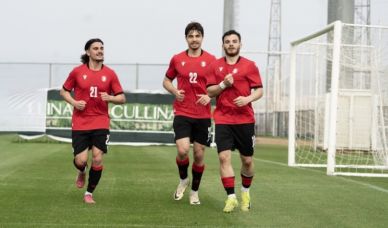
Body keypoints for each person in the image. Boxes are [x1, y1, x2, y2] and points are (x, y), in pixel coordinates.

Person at [60, 38, 126, 204]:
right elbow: (64, 91)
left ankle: (89, 193)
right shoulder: (77, 72)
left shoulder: (110, 74)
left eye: (102, 48)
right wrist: (74, 102)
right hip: (80, 122)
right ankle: (82, 171)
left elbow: (122, 98)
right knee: (81, 160)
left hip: (101, 121)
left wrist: (110, 97)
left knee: (97, 158)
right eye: (95, 48)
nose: (100, 51)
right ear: (88, 52)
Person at [207, 30, 263, 213]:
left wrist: (247, 99)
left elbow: (259, 90)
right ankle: (231, 198)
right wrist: (223, 84)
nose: (231, 44)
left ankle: (245, 192)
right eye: (227, 42)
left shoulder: (250, 66)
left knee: (247, 160)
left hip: (245, 119)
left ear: (240, 44)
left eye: (234, 41)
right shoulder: (215, 66)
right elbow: (209, 92)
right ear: (223, 45)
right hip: (223, 118)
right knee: (224, 157)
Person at [163, 22, 216, 205]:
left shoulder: (211, 60)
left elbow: (216, 88)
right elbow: (167, 81)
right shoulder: (177, 59)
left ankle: (194, 191)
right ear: (186, 38)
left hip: (202, 114)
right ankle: (183, 178)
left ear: (202, 38)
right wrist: (175, 91)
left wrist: (210, 96)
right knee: (183, 150)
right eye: (191, 36)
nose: (194, 39)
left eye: (197, 36)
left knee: (199, 155)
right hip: (182, 111)